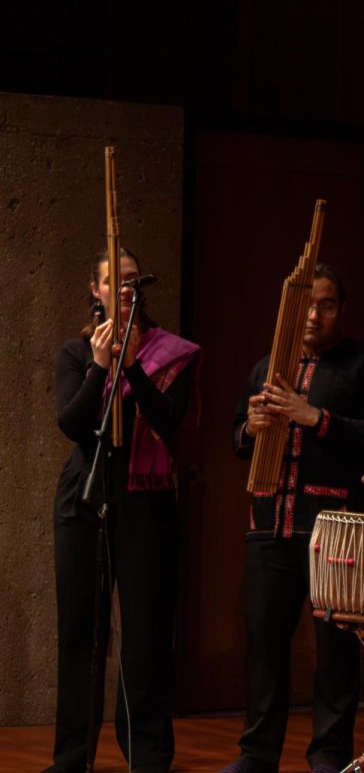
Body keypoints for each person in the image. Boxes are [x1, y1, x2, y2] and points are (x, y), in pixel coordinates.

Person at [221, 264, 364, 773]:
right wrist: (249, 429)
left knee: (336, 654)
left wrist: (314, 417)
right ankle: (257, 755)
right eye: (307, 304)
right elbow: (236, 435)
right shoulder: (267, 366)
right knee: (264, 646)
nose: (315, 315)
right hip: (270, 526)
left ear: (341, 310)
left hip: (333, 527)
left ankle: (329, 756)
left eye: (327, 305)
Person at [46, 248, 201, 773]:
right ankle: (72, 760)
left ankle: (148, 758)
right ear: (97, 289)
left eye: (135, 280)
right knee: (81, 635)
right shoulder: (75, 351)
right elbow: (73, 424)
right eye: (117, 281)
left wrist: (132, 366)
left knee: (146, 635)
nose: (128, 289)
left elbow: (171, 422)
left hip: (146, 499)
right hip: (86, 495)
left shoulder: (169, 353)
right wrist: (101, 365)